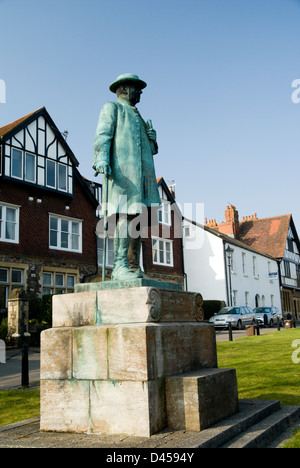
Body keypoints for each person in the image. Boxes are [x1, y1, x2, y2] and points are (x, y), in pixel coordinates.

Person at [93, 74, 161, 281]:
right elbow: (103, 134)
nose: (140, 92)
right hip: (122, 173)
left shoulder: (139, 116)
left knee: (138, 218)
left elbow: (149, 150)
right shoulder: (112, 108)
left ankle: (134, 267)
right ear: (125, 89)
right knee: (124, 215)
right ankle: (119, 265)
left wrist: (153, 141)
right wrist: (102, 157)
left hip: (143, 178)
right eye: (137, 88)